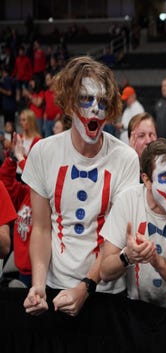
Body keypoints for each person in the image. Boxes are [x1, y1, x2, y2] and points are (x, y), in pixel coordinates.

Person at [22, 55, 140, 317]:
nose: (95, 109)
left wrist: (86, 287)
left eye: (102, 102)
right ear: (68, 104)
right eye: (85, 99)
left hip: (107, 293)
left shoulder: (125, 159)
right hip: (55, 290)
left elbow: (116, 238)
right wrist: (38, 286)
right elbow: (41, 229)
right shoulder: (43, 152)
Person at [100, 138, 166, 308]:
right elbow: (104, 271)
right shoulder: (128, 201)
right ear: (147, 181)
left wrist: (156, 261)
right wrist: (127, 256)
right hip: (136, 309)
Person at [0, 132, 34, 286]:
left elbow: (38, 179)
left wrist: (22, 159)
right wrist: (13, 159)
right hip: (23, 267)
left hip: (42, 270)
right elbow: (5, 184)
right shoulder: (26, 192)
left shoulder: (50, 193)